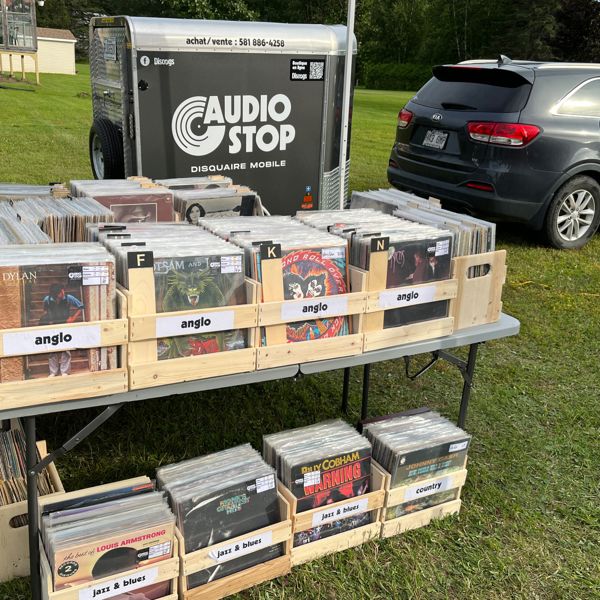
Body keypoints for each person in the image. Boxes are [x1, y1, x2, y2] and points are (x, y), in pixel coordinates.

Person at [40, 283, 84, 376]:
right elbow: (45, 310)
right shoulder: (47, 299)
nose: (63, 292)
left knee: (66, 349)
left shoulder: (68, 298)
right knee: (52, 349)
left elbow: (81, 306)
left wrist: (72, 318)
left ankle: (65, 371)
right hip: (52, 326)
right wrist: (48, 319)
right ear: (55, 293)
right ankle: (53, 372)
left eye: (63, 290)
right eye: (61, 291)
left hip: (65, 326)